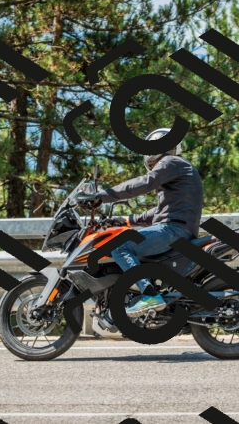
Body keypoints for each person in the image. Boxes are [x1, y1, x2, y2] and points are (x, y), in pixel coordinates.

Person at [78, 128, 204, 318]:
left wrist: (102, 196)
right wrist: (126, 220)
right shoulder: (178, 169)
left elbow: (144, 183)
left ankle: (149, 294)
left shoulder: (171, 162)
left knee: (119, 246)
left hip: (173, 230)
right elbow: (159, 212)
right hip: (177, 230)